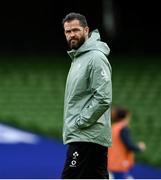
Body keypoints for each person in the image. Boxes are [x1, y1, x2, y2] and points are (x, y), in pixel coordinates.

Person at [61, 12, 112, 179]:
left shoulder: (95, 58)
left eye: (75, 30)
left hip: (86, 137)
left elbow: (103, 98)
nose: (71, 35)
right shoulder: (78, 58)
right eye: (68, 31)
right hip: (89, 137)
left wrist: (80, 122)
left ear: (86, 30)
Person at [108, 106, 146, 179]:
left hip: (111, 163)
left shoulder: (113, 127)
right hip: (120, 164)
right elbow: (129, 145)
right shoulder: (123, 128)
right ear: (126, 116)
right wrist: (139, 147)